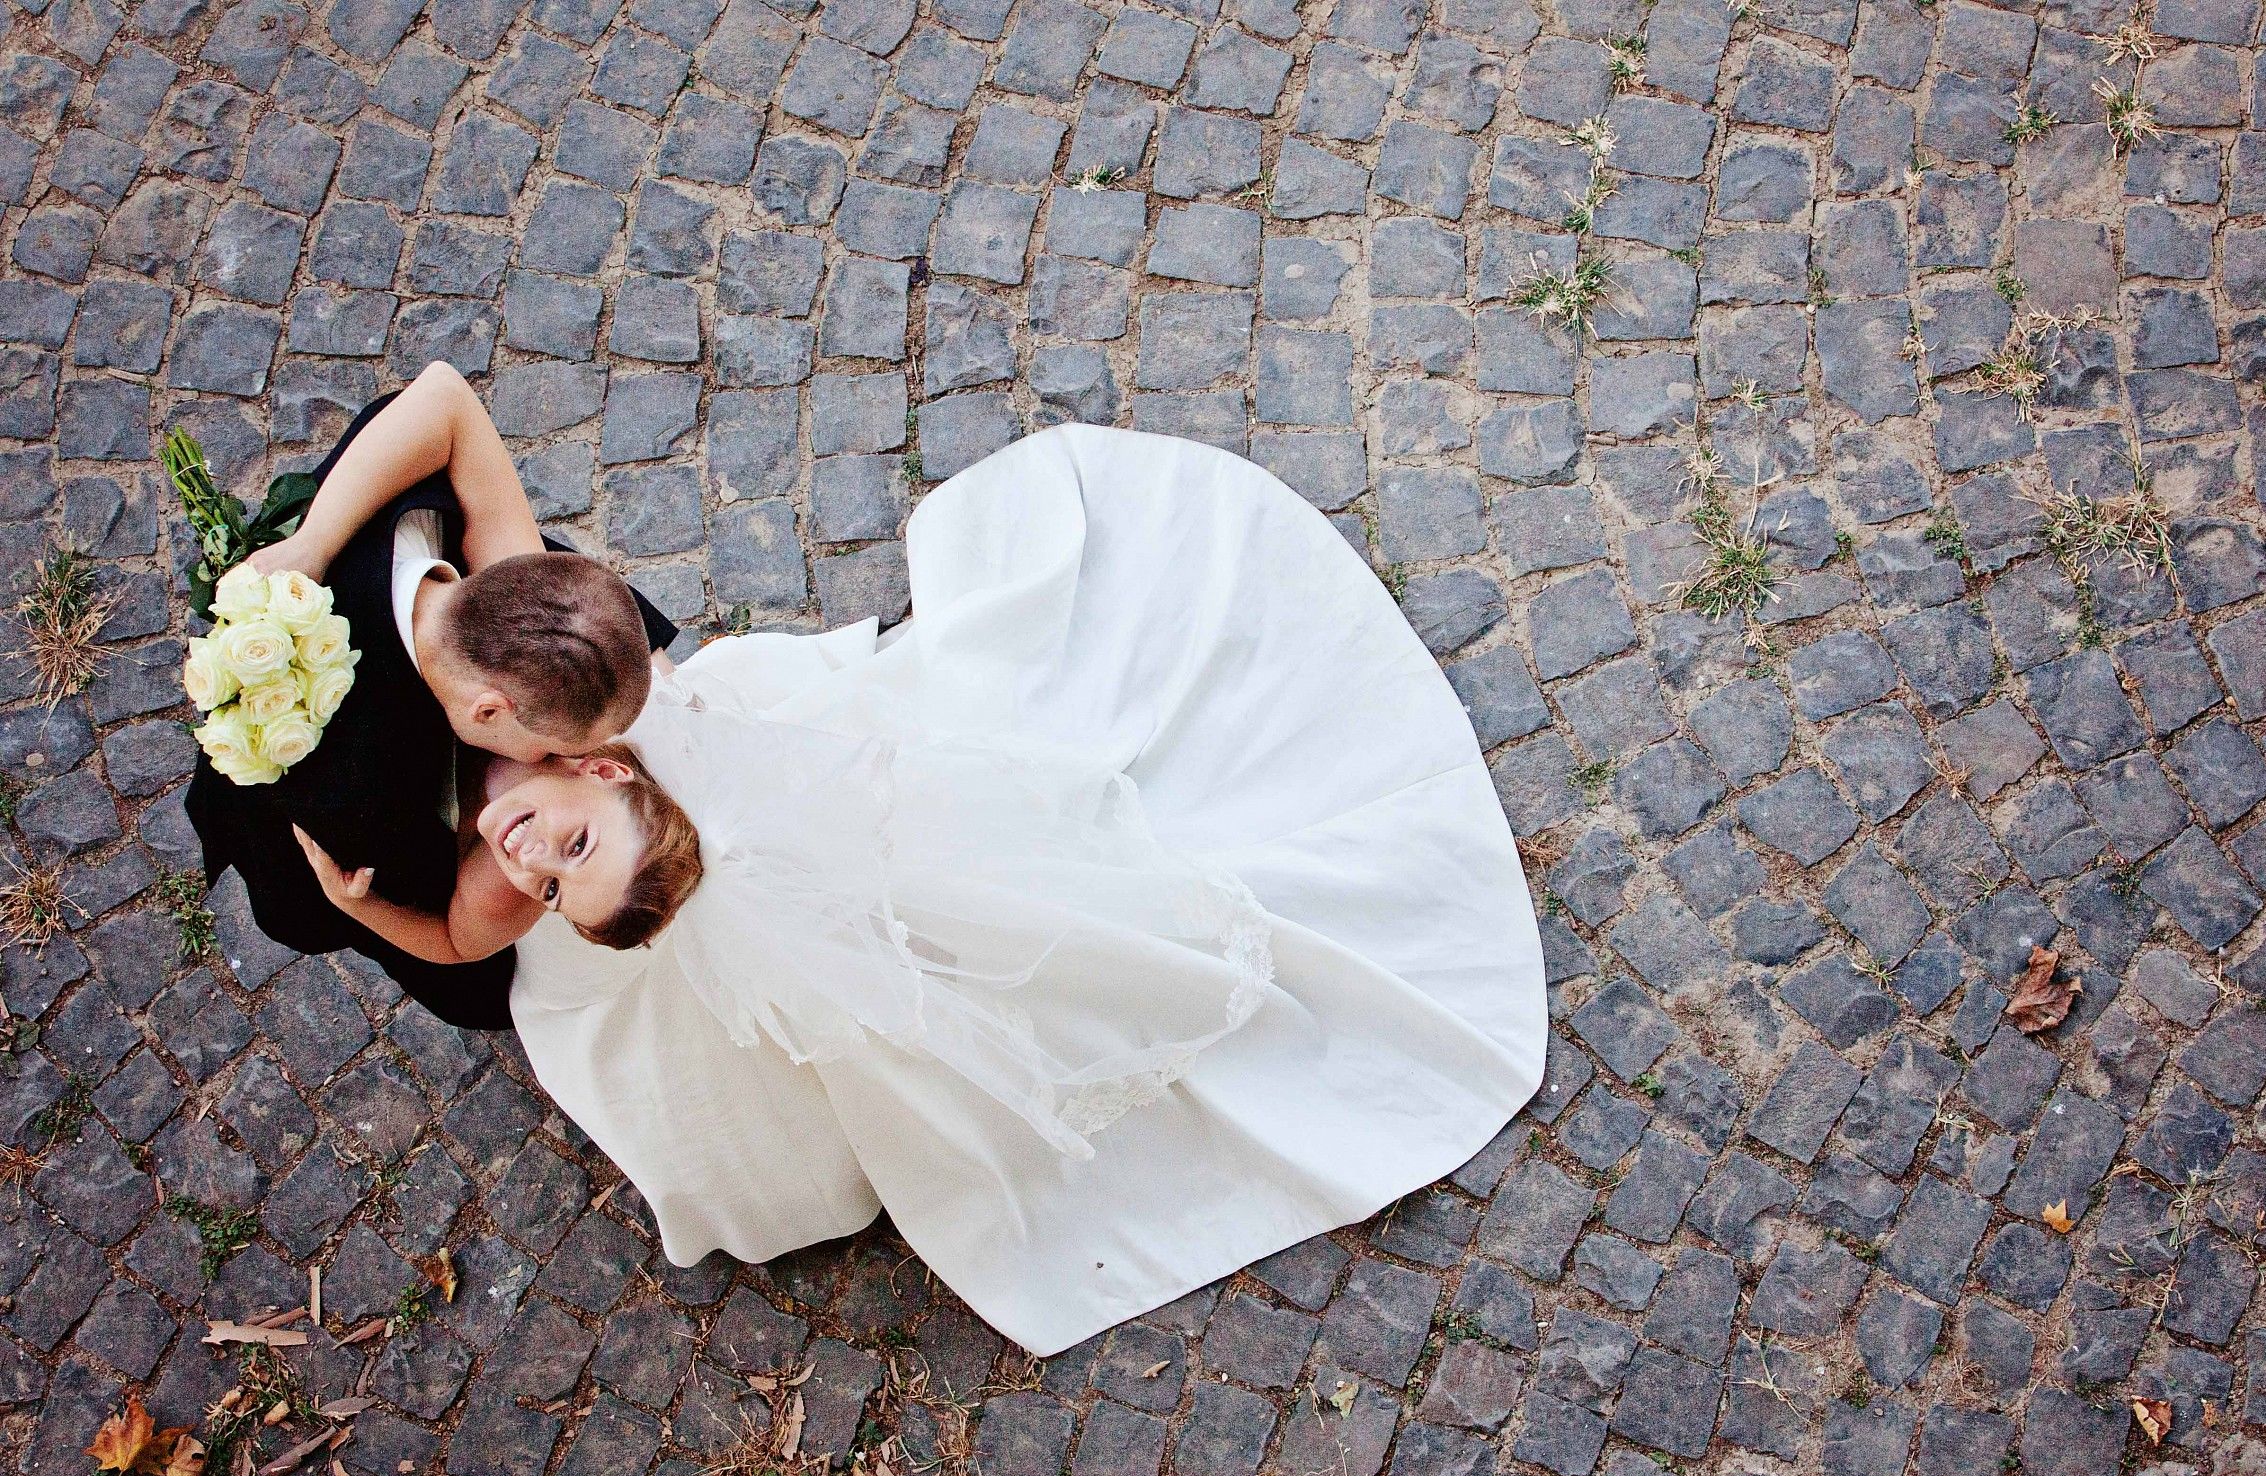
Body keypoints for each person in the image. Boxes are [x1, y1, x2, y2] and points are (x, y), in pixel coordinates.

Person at [504, 424, 1552, 1356]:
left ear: (604, 766)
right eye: (558, 877)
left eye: (563, 861)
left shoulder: (639, 772)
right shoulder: (640, 812)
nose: (531, 856)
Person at [182, 365, 679, 1029]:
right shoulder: (363, 784)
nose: (533, 863)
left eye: (552, 889)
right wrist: (313, 547)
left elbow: (445, 397)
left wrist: (313, 545)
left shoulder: (498, 594)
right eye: (550, 745)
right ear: (488, 711)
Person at [291, 740, 703, 962]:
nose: (531, 861)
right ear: (604, 772)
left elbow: (454, 944)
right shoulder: (548, 707)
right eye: (578, 845)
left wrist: (354, 904)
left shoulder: (497, 889)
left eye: (552, 890)